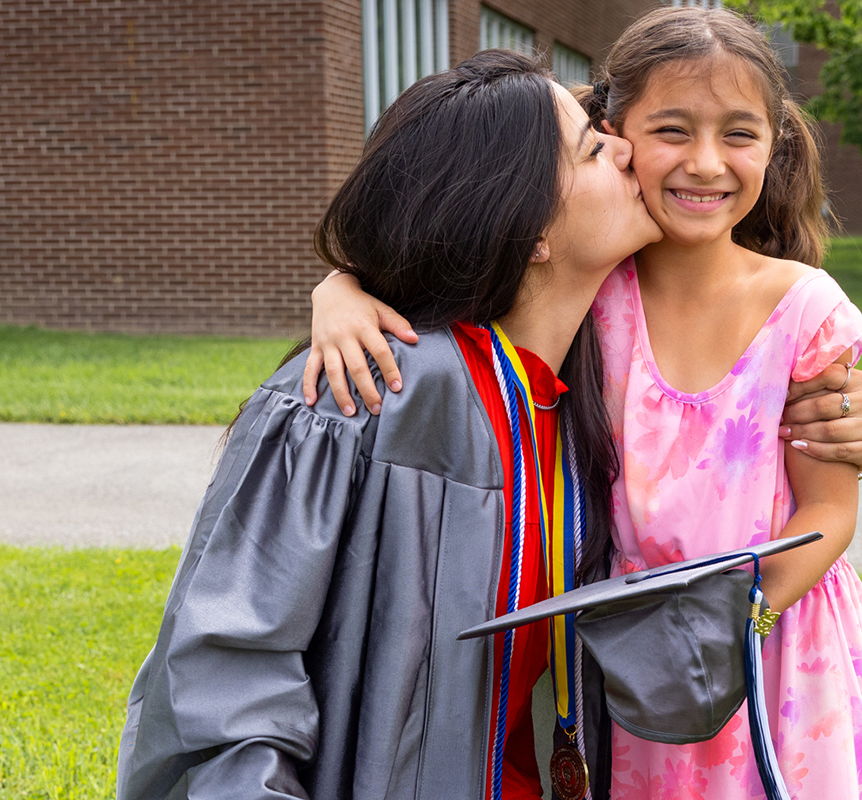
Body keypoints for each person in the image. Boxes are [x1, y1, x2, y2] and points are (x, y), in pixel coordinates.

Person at [307, 9, 862, 798]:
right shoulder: (594, 287)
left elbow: (829, 514)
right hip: (624, 651)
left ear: (774, 144)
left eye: (738, 134)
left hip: (770, 640)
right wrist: (341, 289)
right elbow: (447, 254)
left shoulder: (805, 309)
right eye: (672, 130)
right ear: (615, 135)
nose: (705, 163)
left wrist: (729, 626)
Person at [114, 50, 660, 800]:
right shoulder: (360, 396)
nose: (628, 148)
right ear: (530, 224)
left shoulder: (592, 397)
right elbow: (227, 674)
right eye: (595, 148)